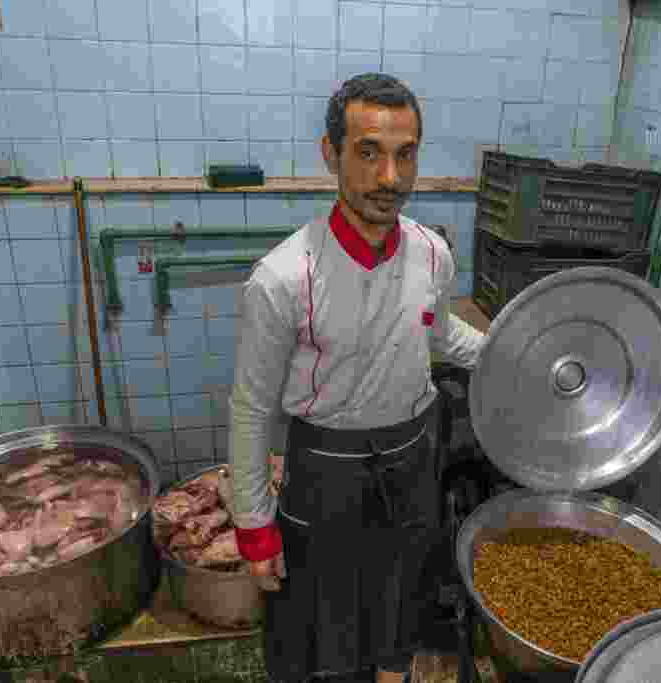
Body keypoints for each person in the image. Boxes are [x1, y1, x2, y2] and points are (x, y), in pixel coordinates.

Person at [228, 72, 487, 683]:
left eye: (404, 154)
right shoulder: (283, 277)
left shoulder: (432, 253)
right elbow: (250, 409)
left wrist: (511, 354)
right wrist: (254, 528)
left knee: (399, 607)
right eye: (368, 153)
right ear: (331, 154)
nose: (390, 178)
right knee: (323, 631)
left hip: (413, 460)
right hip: (326, 472)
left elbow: (441, 332)